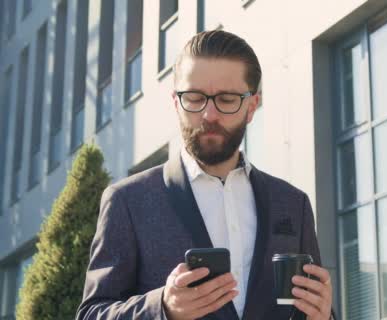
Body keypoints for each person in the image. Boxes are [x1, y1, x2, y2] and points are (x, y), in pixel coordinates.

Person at [76, 30, 333, 320]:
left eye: (226, 99)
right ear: (176, 102)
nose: (209, 114)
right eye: (195, 98)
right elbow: (91, 314)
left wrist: (323, 316)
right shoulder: (128, 201)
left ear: (252, 106)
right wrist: (163, 307)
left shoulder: (293, 203)